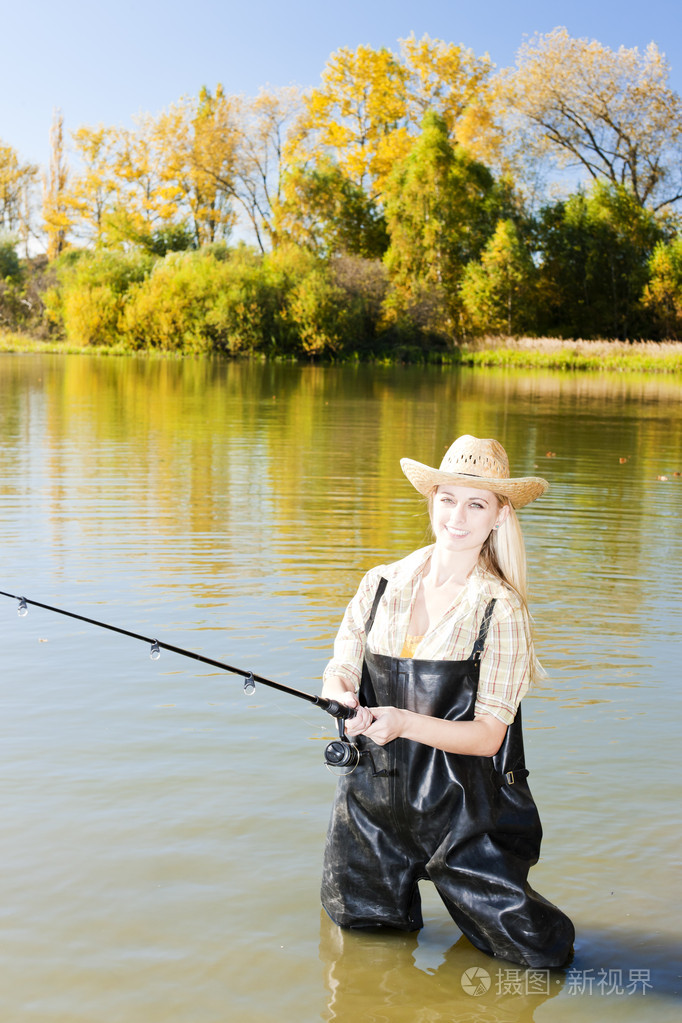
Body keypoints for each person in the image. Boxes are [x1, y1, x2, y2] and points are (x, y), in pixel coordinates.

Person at [320, 434, 575, 968]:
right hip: (370, 807)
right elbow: (339, 670)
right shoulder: (380, 583)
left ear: (499, 515)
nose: (458, 517)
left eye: (476, 503)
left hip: (464, 814)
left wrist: (401, 721)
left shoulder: (501, 609)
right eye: (448, 499)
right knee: (363, 958)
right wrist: (342, 701)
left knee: (540, 954)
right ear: (431, 500)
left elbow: (489, 736)